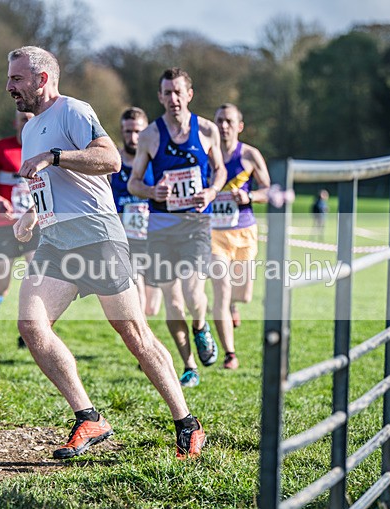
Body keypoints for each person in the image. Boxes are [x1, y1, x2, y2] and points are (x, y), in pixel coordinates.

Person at [7, 46, 205, 459]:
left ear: (42, 79)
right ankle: (89, 417)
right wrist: (30, 213)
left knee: (134, 335)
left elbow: (111, 159)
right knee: (31, 325)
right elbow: (51, 183)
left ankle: (187, 422)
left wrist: (55, 156)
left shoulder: (73, 111)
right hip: (56, 241)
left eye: (17, 79)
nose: (10, 86)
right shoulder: (29, 128)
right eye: (10, 78)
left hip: (98, 237)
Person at [128, 67, 226, 388]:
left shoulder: (207, 131)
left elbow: (220, 171)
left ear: (189, 94)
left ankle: (200, 326)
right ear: (160, 96)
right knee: (172, 302)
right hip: (160, 227)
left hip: (195, 223)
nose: (173, 98)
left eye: (178, 92)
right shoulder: (150, 136)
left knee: (193, 292)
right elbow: (134, 183)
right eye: (167, 93)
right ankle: (189, 365)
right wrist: (151, 191)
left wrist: (212, 191)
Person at [210, 103, 270, 370]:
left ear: (239, 126)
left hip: (244, 230)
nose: (224, 126)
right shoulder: (207, 154)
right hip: (213, 234)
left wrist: (250, 196)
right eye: (220, 121)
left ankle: (235, 305)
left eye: (229, 121)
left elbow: (269, 190)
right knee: (221, 291)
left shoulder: (250, 155)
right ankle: (230, 353)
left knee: (243, 294)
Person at [0, 110, 40, 343]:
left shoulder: (43, 150)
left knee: (35, 275)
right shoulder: (1, 148)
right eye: (22, 118)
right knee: (2, 280)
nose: (26, 122)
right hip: (5, 224)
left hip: (34, 225)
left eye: (30, 118)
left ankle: (30, 326)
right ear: (15, 122)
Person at [110, 107, 163, 318]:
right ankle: (140, 346)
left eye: (138, 132)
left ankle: (142, 339)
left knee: (152, 308)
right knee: (137, 295)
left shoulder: (156, 162)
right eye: (128, 131)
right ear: (122, 132)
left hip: (153, 238)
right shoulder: (113, 164)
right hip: (125, 240)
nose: (133, 137)